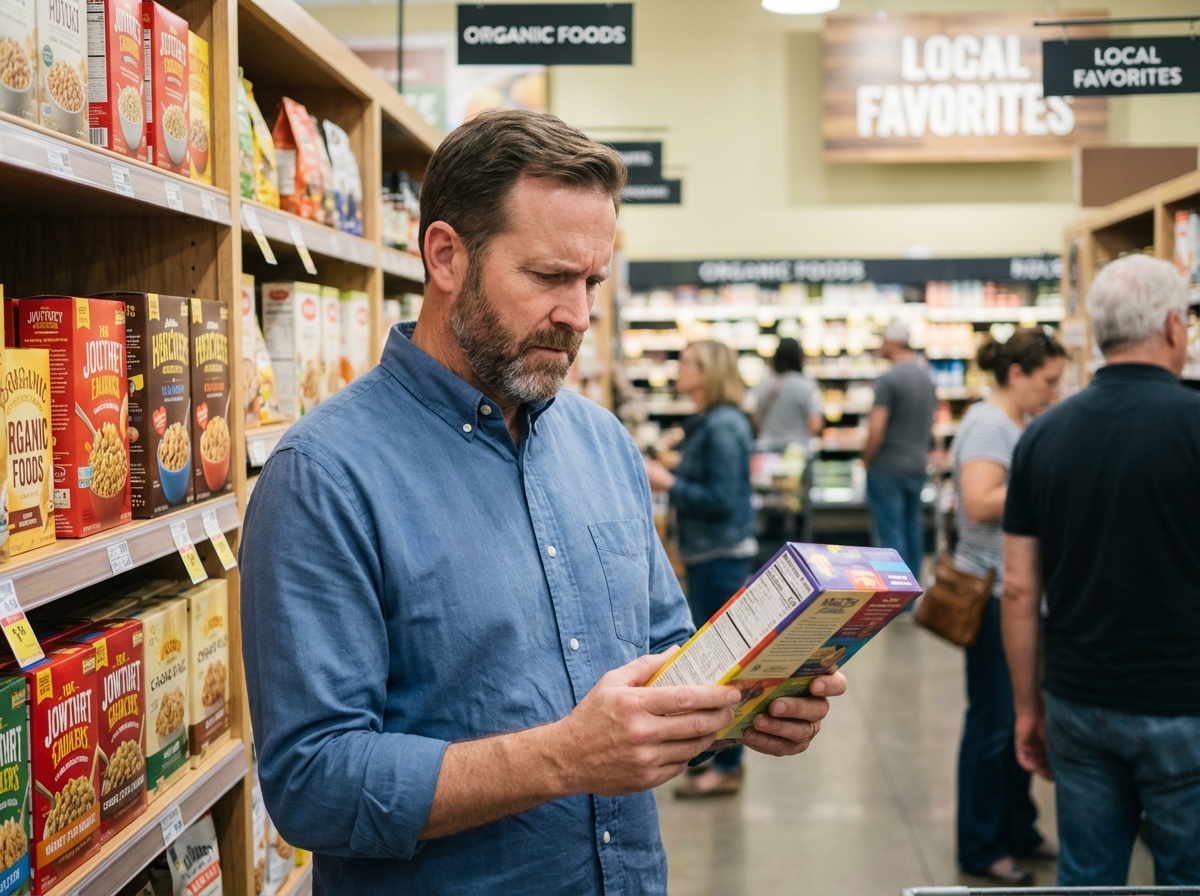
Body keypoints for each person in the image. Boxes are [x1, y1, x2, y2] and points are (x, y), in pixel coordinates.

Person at [240, 110, 846, 895]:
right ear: (446, 256)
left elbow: (665, 654)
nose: (578, 316)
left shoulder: (603, 444)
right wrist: (561, 757)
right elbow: (311, 784)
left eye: (591, 282)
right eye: (549, 277)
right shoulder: (323, 475)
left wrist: (741, 702)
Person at [1002, 254, 1200, 887]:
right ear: (1173, 326)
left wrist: (1026, 707)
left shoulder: (1042, 435)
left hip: (1078, 700)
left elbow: (1018, 589)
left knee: (1088, 876)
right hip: (1184, 698)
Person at [950, 329, 1065, 885]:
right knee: (994, 725)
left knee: (1022, 716)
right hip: (994, 597)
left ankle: (1018, 826)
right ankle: (982, 845)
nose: (1055, 391)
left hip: (1014, 593)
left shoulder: (1014, 423)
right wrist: (1044, 486)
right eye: (1048, 380)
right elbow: (978, 499)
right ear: (1017, 374)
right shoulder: (988, 424)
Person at [645, 340, 756, 797]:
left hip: (720, 554)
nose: (678, 368)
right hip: (707, 553)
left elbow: (722, 500)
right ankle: (717, 754)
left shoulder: (724, 426)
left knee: (723, 664)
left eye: (687, 362)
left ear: (708, 370)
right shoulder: (708, 422)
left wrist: (668, 480)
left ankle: (727, 765)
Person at [862, 320, 936, 579]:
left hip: (887, 467)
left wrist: (866, 460)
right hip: (917, 465)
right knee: (912, 528)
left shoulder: (888, 379)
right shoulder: (926, 377)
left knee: (890, 534)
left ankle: (894, 595)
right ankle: (912, 590)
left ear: (893, 343)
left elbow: (876, 428)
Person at [750, 337, 824, 451]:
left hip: (767, 450)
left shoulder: (764, 383)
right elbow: (815, 424)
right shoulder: (805, 385)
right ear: (799, 357)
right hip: (797, 451)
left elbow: (756, 418)